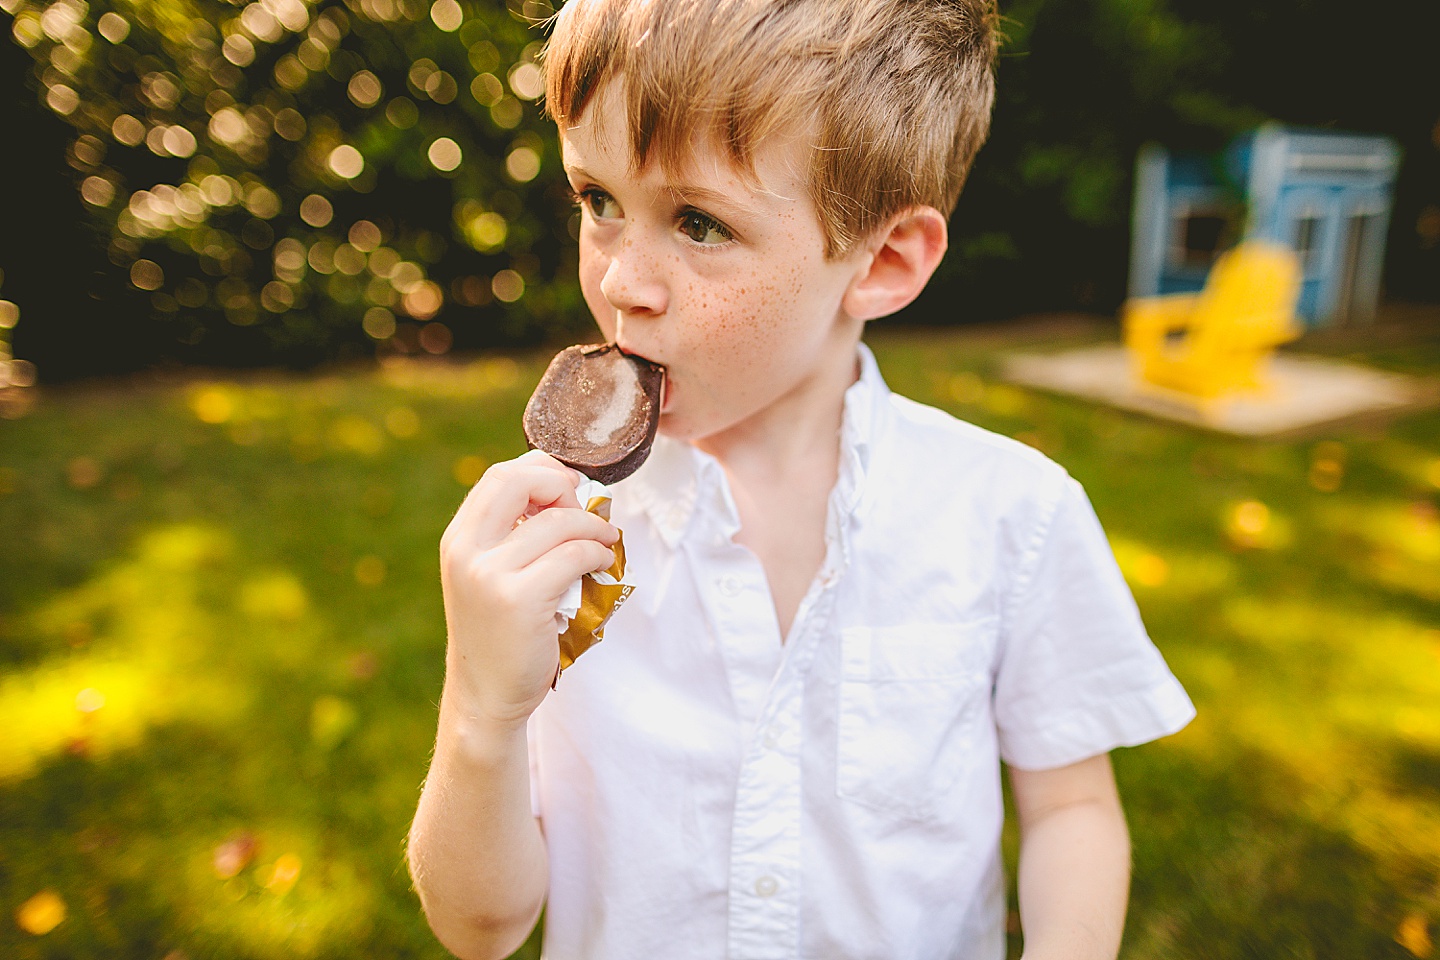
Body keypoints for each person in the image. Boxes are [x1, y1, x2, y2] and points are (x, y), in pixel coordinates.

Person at [407, 0, 1195, 957]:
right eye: (598, 200)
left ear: (883, 262)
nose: (620, 281)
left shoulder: (1009, 515)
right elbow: (479, 931)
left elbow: (1071, 803)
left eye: (698, 222)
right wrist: (481, 710)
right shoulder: (562, 538)